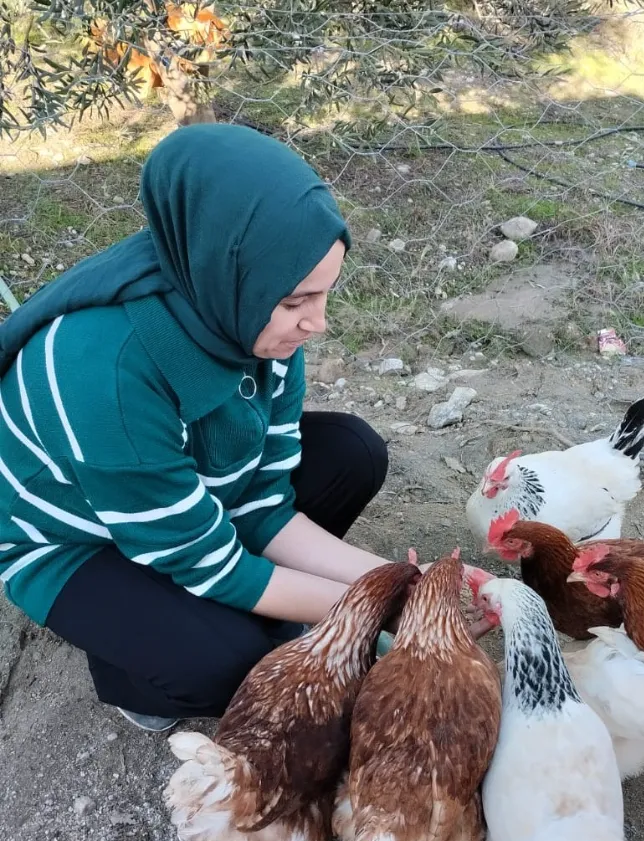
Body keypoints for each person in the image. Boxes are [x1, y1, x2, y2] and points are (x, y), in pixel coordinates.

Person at [0, 123, 413, 733]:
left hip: (186, 497)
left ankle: (253, 608)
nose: (316, 324)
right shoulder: (102, 370)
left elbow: (266, 503)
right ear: (229, 270)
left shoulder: (246, 315)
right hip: (77, 538)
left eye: (323, 296)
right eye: (297, 302)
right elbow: (208, 564)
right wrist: (378, 612)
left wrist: (403, 583)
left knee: (353, 452)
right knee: (229, 665)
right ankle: (132, 678)